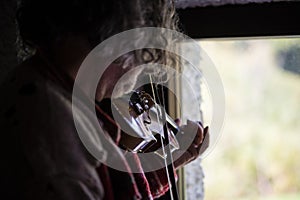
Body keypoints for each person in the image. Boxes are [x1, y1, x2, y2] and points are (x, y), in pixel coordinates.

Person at [0, 0, 209, 199]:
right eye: (143, 59)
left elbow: (105, 185)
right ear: (121, 42)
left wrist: (163, 164)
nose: (138, 74)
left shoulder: (48, 88)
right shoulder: (49, 123)